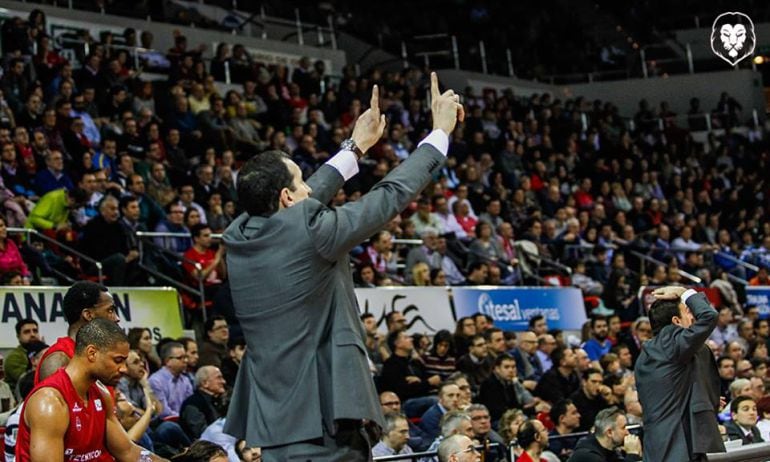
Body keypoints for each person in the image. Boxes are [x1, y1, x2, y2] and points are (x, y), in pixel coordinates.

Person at [222, 74, 463, 460]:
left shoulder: (240, 235)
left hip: (276, 428)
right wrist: (438, 134)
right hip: (325, 426)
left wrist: (356, 147)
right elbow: (388, 196)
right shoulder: (312, 234)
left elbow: (302, 199)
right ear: (286, 197)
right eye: (300, 183)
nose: (309, 190)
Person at [15, 318, 166, 461]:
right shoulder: (49, 403)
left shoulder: (101, 393)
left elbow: (128, 451)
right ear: (92, 353)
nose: (124, 369)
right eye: (118, 360)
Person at [635, 286, 725, 461]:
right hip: (677, 448)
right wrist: (684, 291)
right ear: (676, 321)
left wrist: (708, 399)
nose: (692, 318)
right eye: (688, 312)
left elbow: (671, 393)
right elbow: (709, 317)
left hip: (660, 446)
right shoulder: (671, 342)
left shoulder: (650, 352)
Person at [35, 281, 119, 384]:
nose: (117, 318)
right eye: (110, 310)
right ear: (88, 315)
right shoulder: (58, 360)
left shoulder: (98, 357)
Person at [567, 407, 641, 462]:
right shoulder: (588, 456)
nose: (627, 432)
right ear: (609, 432)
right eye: (623, 428)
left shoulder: (610, 451)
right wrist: (632, 455)